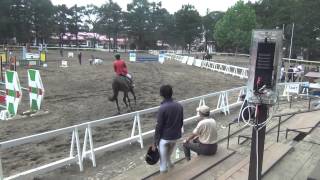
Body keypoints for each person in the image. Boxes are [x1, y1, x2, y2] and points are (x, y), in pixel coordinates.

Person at [153, 85, 184, 173]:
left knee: (162, 163)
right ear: (171, 93)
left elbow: (159, 126)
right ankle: (170, 164)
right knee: (168, 155)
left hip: (165, 138)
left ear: (161, 94)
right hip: (176, 137)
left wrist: (155, 141)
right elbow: (181, 122)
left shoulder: (162, 108)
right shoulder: (179, 106)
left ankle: (165, 173)